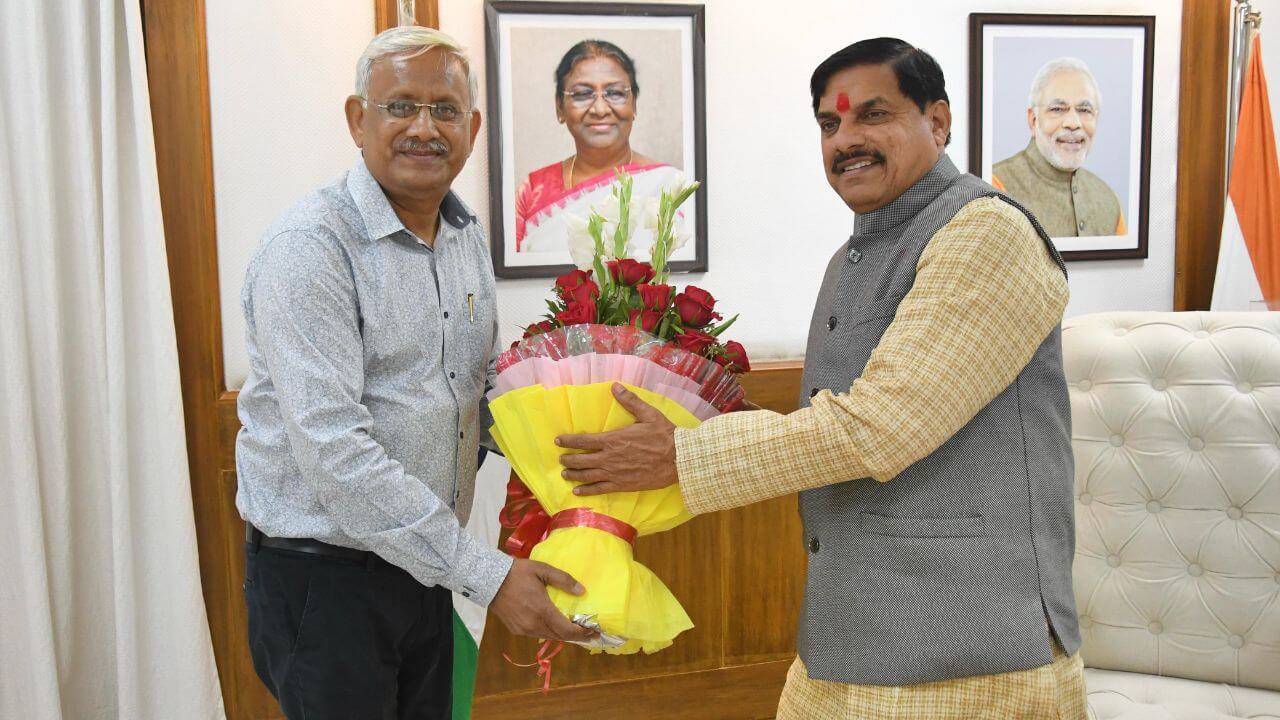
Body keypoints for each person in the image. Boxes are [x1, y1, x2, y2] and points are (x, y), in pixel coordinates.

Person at [554, 38, 1087, 719]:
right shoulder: (855, 256)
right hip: (849, 637)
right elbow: (839, 423)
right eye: (830, 123)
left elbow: (881, 429)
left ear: (939, 121)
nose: (846, 140)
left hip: (971, 657)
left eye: (874, 114)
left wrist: (683, 455)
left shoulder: (986, 234)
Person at [235, 26, 595, 720]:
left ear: (472, 128)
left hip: (425, 564)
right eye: (401, 106)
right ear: (357, 119)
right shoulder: (310, 248)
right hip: (326, 580)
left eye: (445, 110)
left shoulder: (463, 235)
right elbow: (335, 452)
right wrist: (487, 575)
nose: (424, 128)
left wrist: (583, 445)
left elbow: (475, 392)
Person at [514, 39, 685, 253]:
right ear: (559, 107)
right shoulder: (533, 192)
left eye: (615, 93)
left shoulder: (670, 186)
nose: (600, 109)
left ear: (634, 104)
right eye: (582, 94)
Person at [992, 57, 1126, 237]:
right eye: (1057, 109)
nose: (1073, 123)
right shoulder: (995, 187)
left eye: (1084, 110)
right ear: (1033, 120)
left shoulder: (1108, 200)